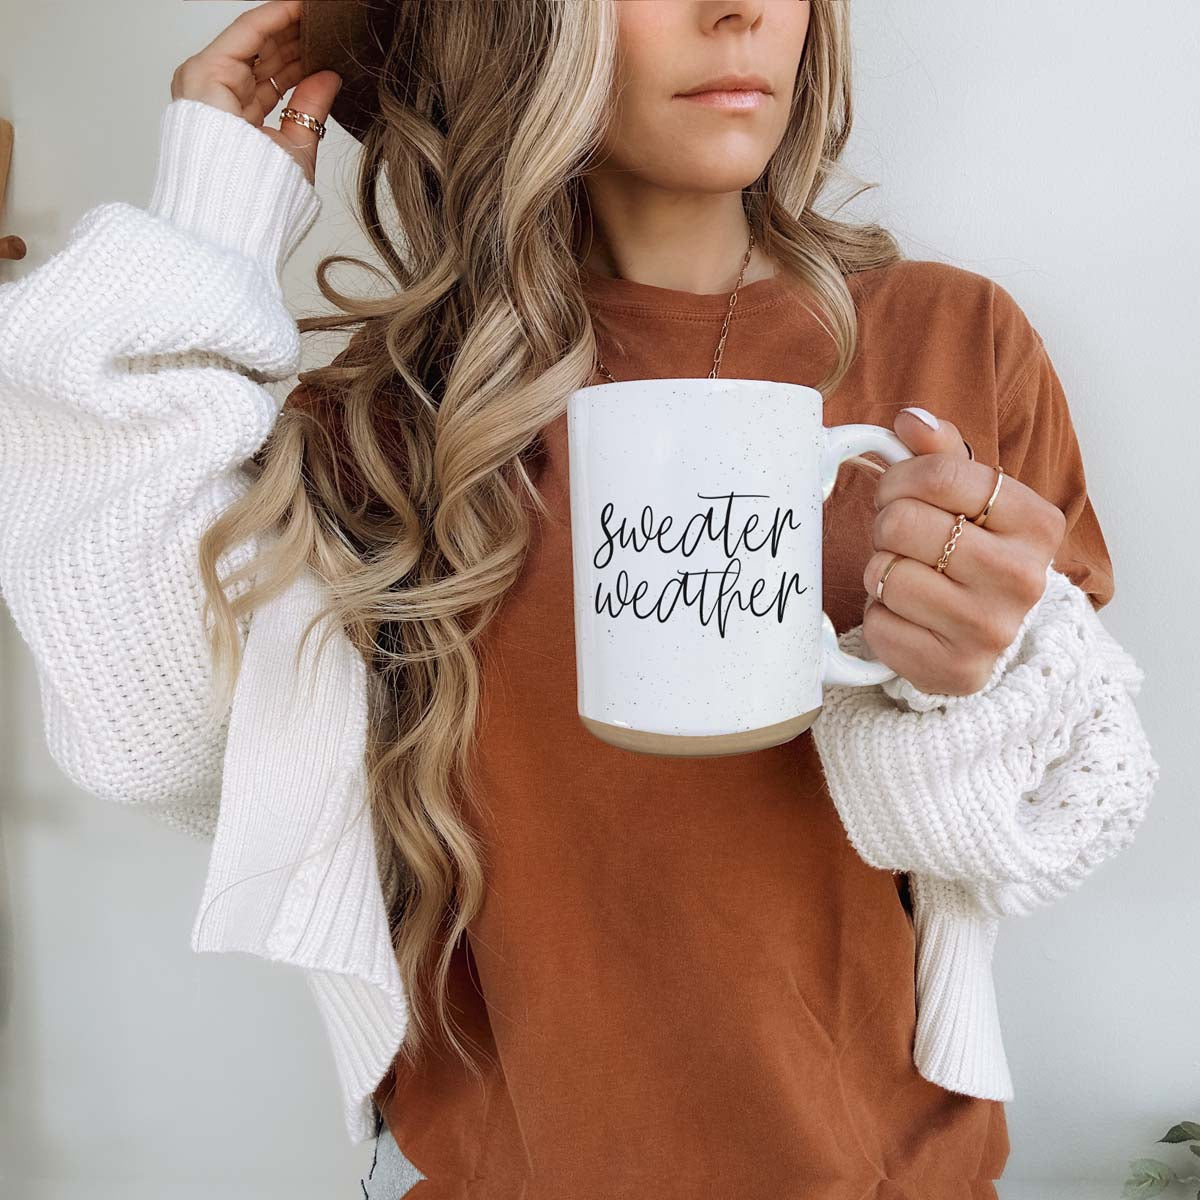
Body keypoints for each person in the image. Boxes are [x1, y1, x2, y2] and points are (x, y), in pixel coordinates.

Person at [0, 2, 1158, 1198]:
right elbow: (149, 736)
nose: (740, 11)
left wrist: (978, 682)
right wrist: (205, 229)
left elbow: (1056, 823)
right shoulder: (391, 422)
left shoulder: (953, 343)